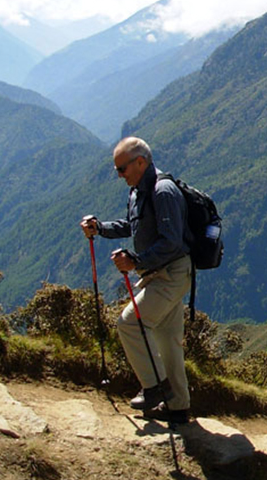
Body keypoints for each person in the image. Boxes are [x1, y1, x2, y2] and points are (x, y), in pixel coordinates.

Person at [79, 137, 193, 424]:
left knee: (129, 322)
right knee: (168, 341)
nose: (119, 175)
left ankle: (155, 387)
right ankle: (178, 407)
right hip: (160, 274)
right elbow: (134, 226)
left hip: (170, 274)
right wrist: (101, 228)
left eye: (122, 168)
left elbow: (172, 243)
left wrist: (136, 262)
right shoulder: (138, 191)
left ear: (140, 162)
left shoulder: (163, 191)